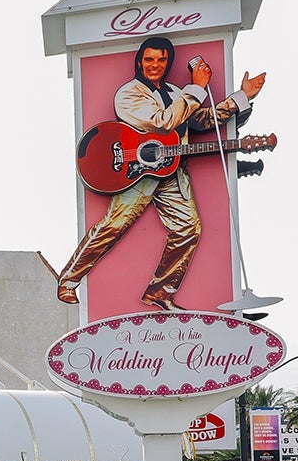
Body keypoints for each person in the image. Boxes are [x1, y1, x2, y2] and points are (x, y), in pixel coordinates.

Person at [58, 35, 266, 310]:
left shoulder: (176, 92)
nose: (155, 65)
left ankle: (160, 292)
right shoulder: (129, 93)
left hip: (171, 172)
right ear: (139, 61)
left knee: (188, 229)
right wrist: (196, 87)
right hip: (135, 171)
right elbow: (163, 123)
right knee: (113, 226)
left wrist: (242, 97)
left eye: (161, 60)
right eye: (149, 59)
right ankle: (69, 280)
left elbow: (201, 119)